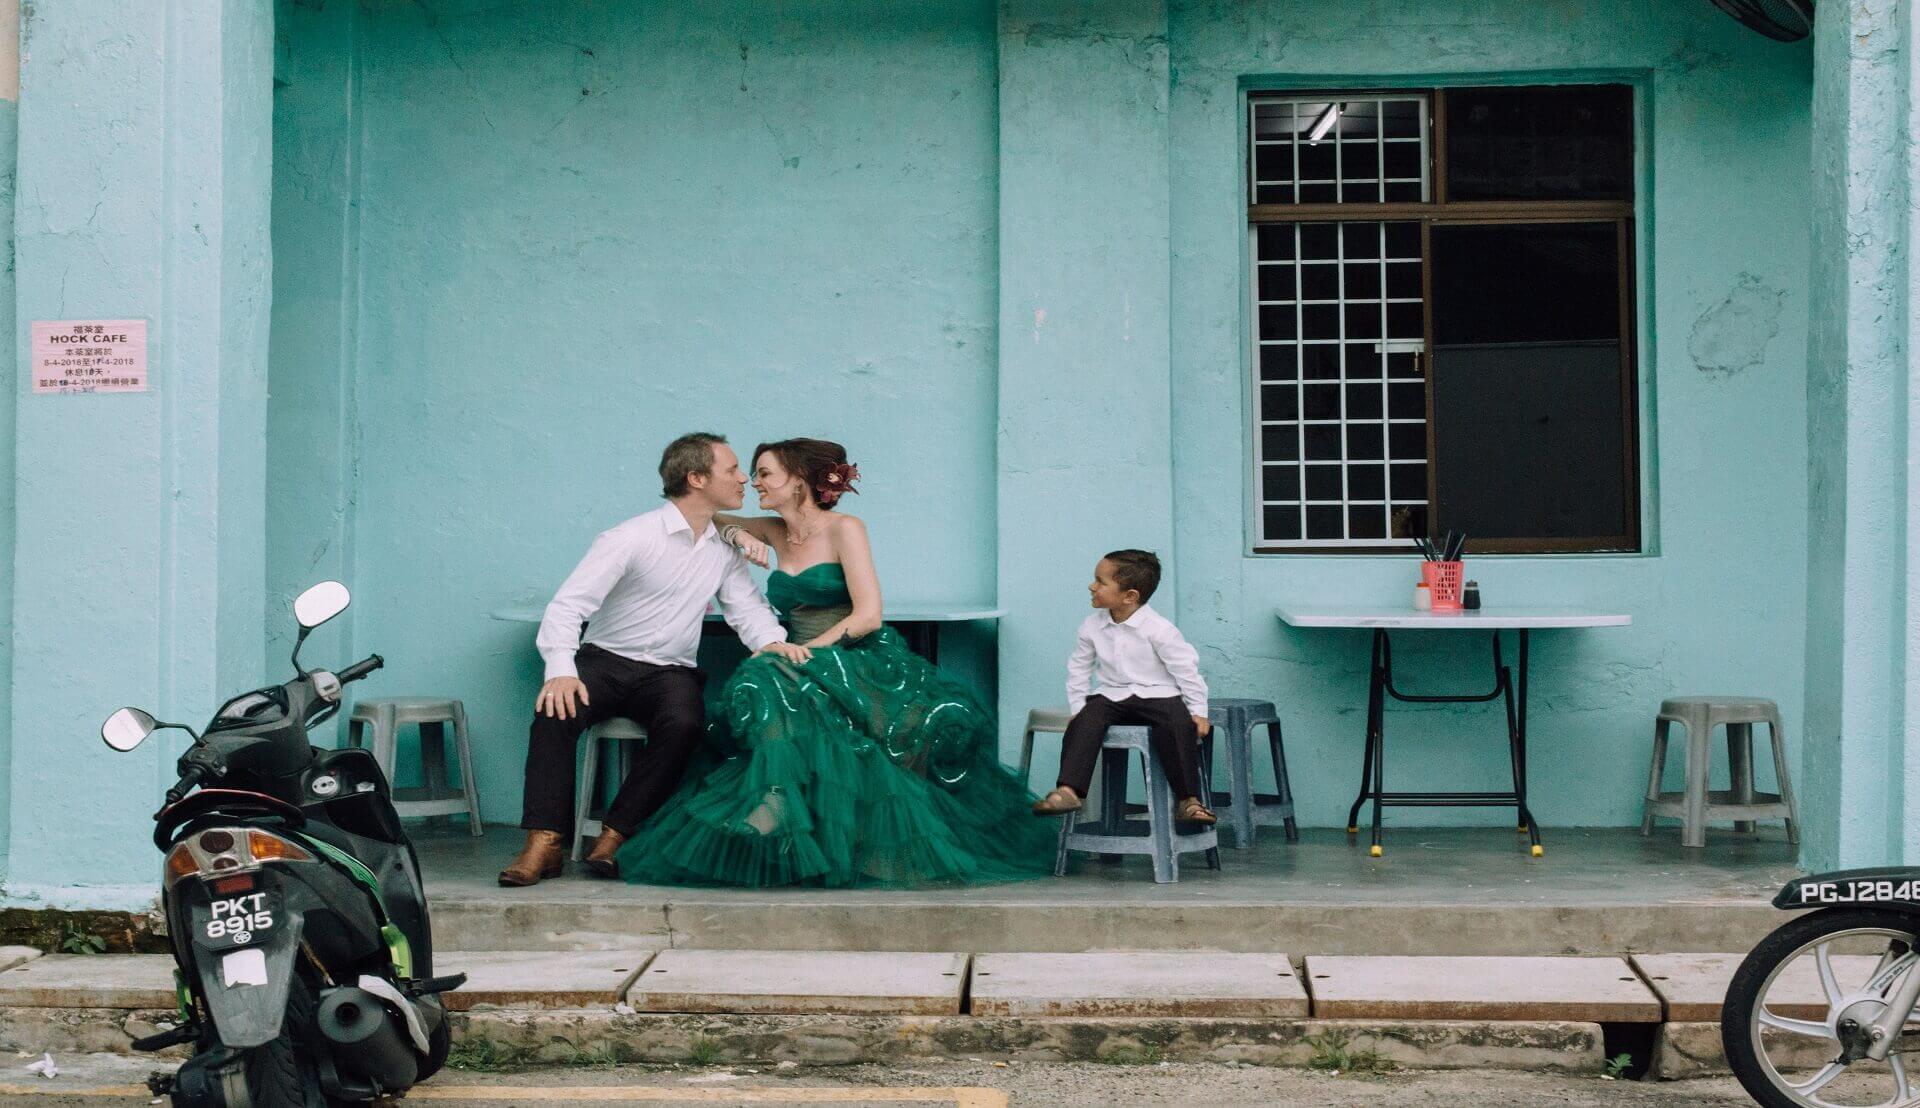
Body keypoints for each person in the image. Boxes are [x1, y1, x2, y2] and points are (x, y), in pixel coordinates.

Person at [614, 437, 1056, 887]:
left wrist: (809, 656)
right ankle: (779, 796)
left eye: (765, 473)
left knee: (764, 671)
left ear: (800, 480)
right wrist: (736, 534)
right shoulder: (771, 529)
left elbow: (867, 616)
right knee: (761, 676)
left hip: (854, 654)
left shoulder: (845, 528)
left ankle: (780, 800)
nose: (754, 481)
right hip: (799, 659)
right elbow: (708, 514)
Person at [497, 432, 811, 887]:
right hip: (605, 661)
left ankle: (615, 836)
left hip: (671, 672)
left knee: (685, 725)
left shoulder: (726, 547)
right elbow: (568, 606)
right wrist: (561, 670)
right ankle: (543, 843)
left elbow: (747, 610)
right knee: (553, 711)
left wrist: (772, 643)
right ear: (697, 478)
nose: (743, 478)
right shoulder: (629, 537)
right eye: (732, 470)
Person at [1032, 550, 1217, 825]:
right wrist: (1078, 709)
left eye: (1100, 581)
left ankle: (1188, 800)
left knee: (1178, 725)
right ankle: (1069, 790)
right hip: (1112, 695)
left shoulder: (1159, 629)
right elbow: (1079, 668)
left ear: (1130, 596)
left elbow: (1186, 670)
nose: (1091, 586)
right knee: (1085, 720)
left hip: (1158, 694)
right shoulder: (1092, 626)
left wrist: (1198, 711)